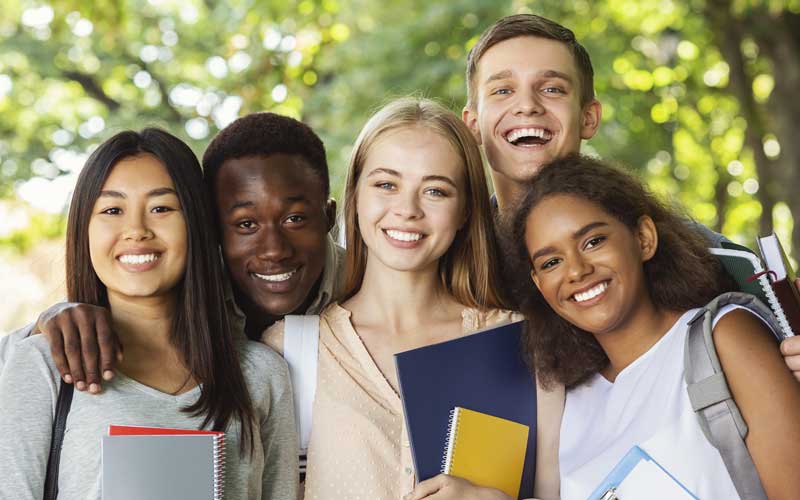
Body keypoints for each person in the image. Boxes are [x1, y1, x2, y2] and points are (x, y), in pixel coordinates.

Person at [458, 12, 800, 379]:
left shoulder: (709, 260)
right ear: (473, 124)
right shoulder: (450, 263)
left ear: (589, 118)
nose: (527, 105)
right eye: (502, 90)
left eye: (553, 88)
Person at [262, 97, 563, 500]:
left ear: (465, 211)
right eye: (386, 184)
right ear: (354, 196)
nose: (407, 210)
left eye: (436, 191)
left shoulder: (525, 346)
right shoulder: (291, 351)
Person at [0, 128, 298, 499]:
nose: (137, 230)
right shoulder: (42, 365)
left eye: (161, 208)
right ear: (84, 229)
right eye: (112, 210)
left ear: (196, 224)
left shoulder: (261, 374)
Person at [512, 155, 800, 499]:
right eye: (552, 262)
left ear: (644, 238)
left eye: (593, 242)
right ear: (539, 283)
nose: (575, 271)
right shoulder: (565, 403)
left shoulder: (724, 336)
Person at [0, 112, 345, 391]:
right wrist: (45, 324)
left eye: (295, 219)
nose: (274, 250)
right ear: (210, 227)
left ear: (328, 216)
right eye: (245, 225)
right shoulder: (182, 294)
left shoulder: (367, 287)